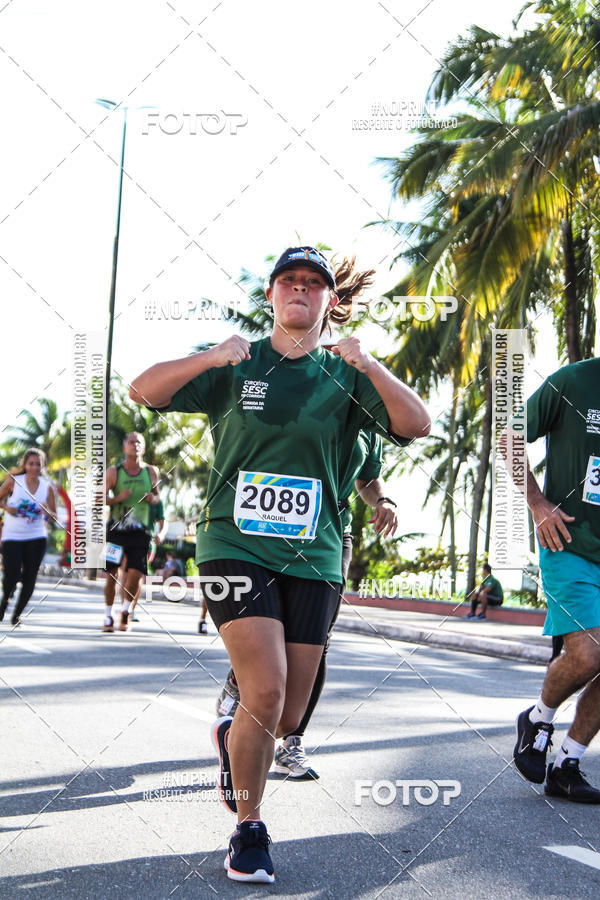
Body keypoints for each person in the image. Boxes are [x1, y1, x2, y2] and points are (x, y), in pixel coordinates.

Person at [130, 246, 430, 882]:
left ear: (331, 301)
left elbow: (416, 424)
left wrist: (369, 362)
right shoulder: (240, 364)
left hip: (316, 554)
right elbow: (142, 389)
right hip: (233, 542)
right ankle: (249, 828)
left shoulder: (350, 376)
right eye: (288, 280)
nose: (300, 289)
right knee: (265, 690)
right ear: (271, 296)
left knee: (287, 715)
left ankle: (234, 732)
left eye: (313, 283)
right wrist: (212, 356)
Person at [215, 431, 398, 780]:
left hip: (328, 538)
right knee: (268, 623)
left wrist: (383, 500)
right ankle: (240, 684)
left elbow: (368, 475)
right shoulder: (301, 382)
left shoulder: (367, 417)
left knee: (317, 640)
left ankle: (292, 741)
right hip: (264, 532)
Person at [511, 356, 600, 802]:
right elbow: (509, 435)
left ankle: (568, 764)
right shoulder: (575, 380)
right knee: (587, 654)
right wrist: (537, 502)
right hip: (571, 542)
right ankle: (538, 717)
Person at [103, 433, 159, 633]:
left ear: (143, 448)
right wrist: (117, 498)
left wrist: (152, 499)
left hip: (140, 532)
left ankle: (125, 611)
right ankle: (108, 614)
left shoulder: (151, 472)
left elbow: (157, 497)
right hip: (116, 531)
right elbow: (99, 498)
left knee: (135, 575)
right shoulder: (114, 472)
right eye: (131, 442)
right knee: (111, 574)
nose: (134, 445)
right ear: (124, 446)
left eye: (138, 443)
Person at [0, 448, 57, 626]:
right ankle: (3, 605)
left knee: (30, 577)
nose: (34, 467)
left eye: (38, 464)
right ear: (25, 465)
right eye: (31, 463)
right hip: (12, 536)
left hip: (36, 536)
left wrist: (47, 510)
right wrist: (6, 507)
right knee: (11, 576)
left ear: (42, 466)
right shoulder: (14, 482)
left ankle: (16, 615)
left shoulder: (47, 486)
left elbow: (53, 516)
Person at [121, 497, 167, 622]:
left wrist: (161, 535)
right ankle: (124, 608)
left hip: (146, 543)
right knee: (125, 576)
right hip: (126, 539)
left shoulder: (157, 502)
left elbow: (163, 523)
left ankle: (130, 609)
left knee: (138, 576)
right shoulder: (132, 493)